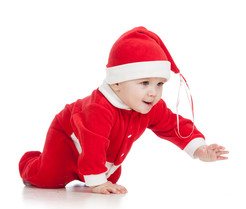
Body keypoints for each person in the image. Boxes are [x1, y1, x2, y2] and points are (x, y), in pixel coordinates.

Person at [19, 26, 229, 195]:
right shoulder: (99, 108)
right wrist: (97, 183)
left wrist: (199, 149)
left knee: (113, 176)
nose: (153, 93)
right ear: (117, 83)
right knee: (50, 178)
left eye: (159, 84)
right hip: (69, 139)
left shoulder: (150, 107)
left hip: (104, 155)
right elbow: (92, 142)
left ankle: (90, 174)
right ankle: (30, 162)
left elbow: (174, 126)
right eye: (144, 82)